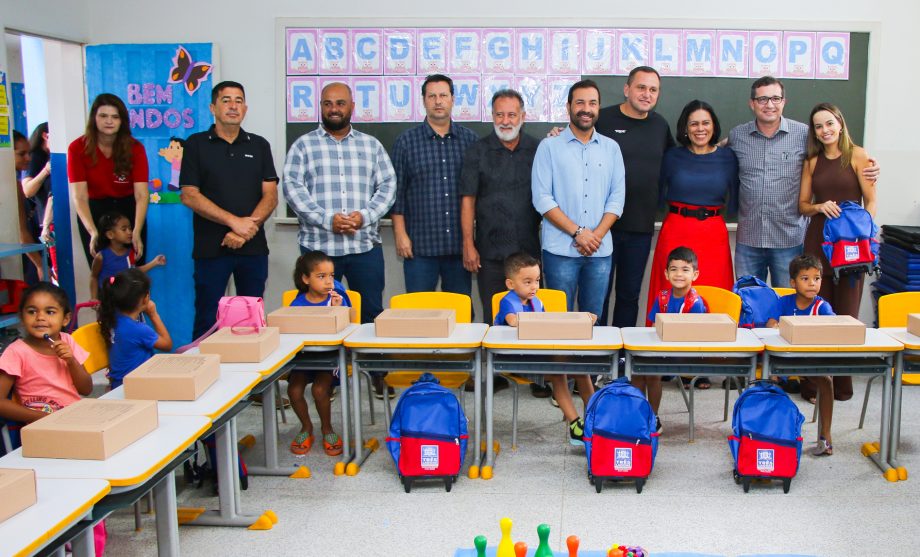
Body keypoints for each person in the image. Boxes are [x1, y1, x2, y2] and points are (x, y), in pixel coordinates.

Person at [728, 76, 879, 286]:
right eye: (762, 99)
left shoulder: (805, 135)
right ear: (751, 103)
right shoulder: (737, 135)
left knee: (792, 305)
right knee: (748, 303)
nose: (769, 104)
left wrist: (869, 166)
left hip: (789, 239)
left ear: (784, 102)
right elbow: (714, 150)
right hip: (749, 239)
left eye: (775, 98)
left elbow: (835, 157)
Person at [282, 82, 396, 326]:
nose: (334, 109)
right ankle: (324, 366)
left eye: (340, 103)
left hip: (363, 247)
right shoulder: (303, 145)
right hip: (319, 249)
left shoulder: (371, 145)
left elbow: (388, 186)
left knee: (370, 315)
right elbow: (292, 188)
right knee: (318, 320)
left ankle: (369, 366)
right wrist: (326, 220)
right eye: (328, 103)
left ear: (352, 106)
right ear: (321, 107)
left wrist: (364, 216)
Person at [645, 100, 738, 389]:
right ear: (685, 127)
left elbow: (734, 198)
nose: (700, 129)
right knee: (668, 291)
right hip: (676, 228)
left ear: (714, 126)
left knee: (711, 294)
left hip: (712, 232)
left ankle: (701, 366)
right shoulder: (672, 156)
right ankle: (662, 361)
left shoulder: (728, 157)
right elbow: (658, 192)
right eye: (694, 123)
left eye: (706, 123)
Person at [180, 81, 278, 340]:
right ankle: (202, 375)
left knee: (252, 320)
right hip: (211, 248)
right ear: (213, 107)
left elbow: (271, 196)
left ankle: (252, 378)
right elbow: (189, 195)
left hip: (253, 248)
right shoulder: (196, 144)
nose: (233, 106)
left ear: (245, 108)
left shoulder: (259, 146)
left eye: (238, 101)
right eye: (226, 100)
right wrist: (234, 222)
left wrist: (246, 231)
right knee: (207, 317)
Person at [796, 102, 877, 404]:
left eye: (829, 123)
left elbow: (870, 202)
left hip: (851, 248)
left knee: (846, 317)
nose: (825, 130)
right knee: (815, 314)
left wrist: (860, 233)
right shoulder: (812, 161)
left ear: (840, 124)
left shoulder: (858, 155)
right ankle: (812, 386)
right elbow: (802, 205)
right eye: (818, 126)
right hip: (819, 242)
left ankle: (842, 387)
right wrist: (819, 206)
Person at [531, 79, 625, 318]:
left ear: (598, 108)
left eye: (592, 103)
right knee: (556, 322)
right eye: (580, 102)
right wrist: (578, 233)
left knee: (594, 320)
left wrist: (596, 236)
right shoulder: (549, 147)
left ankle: (592, 359)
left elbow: (617, 198)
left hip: (599, 252)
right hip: (559, 252)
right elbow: (542, 199)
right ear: (569, 106)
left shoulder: (612, 148)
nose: (586, 108)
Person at [595, 66, 676, 328]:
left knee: (629, 296)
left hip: (640, 228)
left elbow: (677, 161)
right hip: (601, 228)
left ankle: (621, 358)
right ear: (627, 89)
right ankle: (599, 358)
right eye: (641, 87)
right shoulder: (602, 120)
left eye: (653, 90)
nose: (647, 94)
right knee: (600, 297)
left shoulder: (660, 125)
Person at [391, 74, 479, 298]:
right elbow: (397, 193)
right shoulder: (406, 142)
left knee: (460, 317)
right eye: (432, 96)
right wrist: (400, 234)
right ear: (423, 100)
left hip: (459, 248)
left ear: (452, 99)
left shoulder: (470, 141)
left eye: (443, 95)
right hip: (420, 247)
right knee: (418, 315)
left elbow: (478, 193)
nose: (438, 101)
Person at [494, 252, 595, 445]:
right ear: (510, 284)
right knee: (559, 372)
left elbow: (548, 325)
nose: (534, 287)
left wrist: (580, 319)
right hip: (515, 360)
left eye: (537, 280)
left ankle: (594, 418)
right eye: (528, 282)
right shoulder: (508, 302)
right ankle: (575, 425)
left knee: (581, 369)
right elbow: (513, 321)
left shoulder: (537, 302)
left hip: (539, 356)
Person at [765, 254, 837, 455]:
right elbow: (771, 325)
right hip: (783, 359)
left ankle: (825, 434)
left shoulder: (822, 307)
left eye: (817, 278)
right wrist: (779, 326)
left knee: (826, 381)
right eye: (805, 279)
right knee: (768, 378)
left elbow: (832, 327)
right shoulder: (784, 302)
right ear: (793, 282)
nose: (812, 284)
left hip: (810, 360)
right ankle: (769, 433)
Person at [68, 94, 149, 265]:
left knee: (134, 274)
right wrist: (93, 232)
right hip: (95, 211)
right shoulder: (77, 148)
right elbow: (79, 197)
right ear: (94, 119)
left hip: (127, 209)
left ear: (122, 121)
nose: (109, 121)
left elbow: (141, 195)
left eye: (115, 117)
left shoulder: (135, 148)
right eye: (103, 116)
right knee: (102, 272)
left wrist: (136, 231)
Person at [286, 251, 348, 456]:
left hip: (328, 359)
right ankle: (306, 428)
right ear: (305, 279)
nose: (329, 281)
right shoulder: (297, 304)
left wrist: (338, 310)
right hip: (304, 358)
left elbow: (347, 330)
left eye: (331, 276)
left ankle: (327, 428)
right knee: (294, 391)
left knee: (320, 391)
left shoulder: (337, 300)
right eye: (321, 277)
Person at [643, 246, 708, 430]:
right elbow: (653, 325)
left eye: (685, 270)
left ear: (695, 275)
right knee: (637, 372)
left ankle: (653, 417)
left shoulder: (696, 303)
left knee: (652, 373)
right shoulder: (662, 297)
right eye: (674, 269)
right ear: (666, 273)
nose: (679, 274)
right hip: (663, 349)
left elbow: (693, 335)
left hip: (685, 354)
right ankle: (641, 414)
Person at [97, 268, 172, 389]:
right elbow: (167, 344)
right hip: (135, 387)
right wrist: (153, 314)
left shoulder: (111, 318)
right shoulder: (138, 329)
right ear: (145, 298)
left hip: (118, 384)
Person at [90, 212, 166, 300]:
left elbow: (133, 271)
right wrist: (94, 298)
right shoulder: (101, 257)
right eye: (124, 229)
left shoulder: (130, 253)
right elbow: (94, 277)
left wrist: (154, 262)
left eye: (130, 228)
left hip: (127, 300)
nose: (129, 232)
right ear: (110, 234)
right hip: (108, 302)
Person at [13, 131, 45, 282]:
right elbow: (22, 233)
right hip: (18, 259)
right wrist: (40, 265)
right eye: (21, 154)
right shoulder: (13, 186)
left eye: (29, 153)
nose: (28, 158)